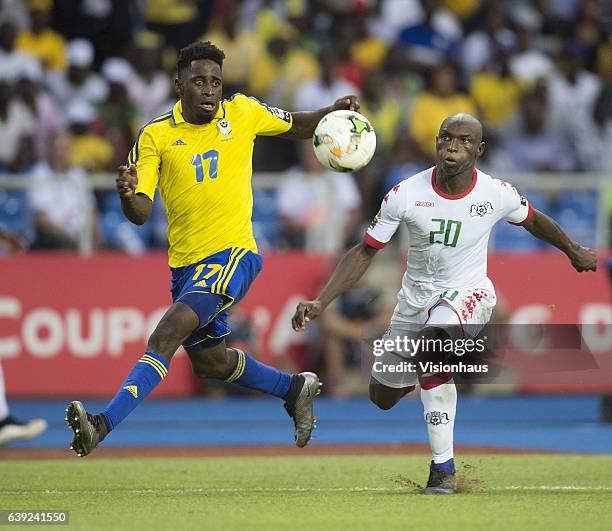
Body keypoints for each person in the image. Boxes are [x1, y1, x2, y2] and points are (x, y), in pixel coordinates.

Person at [66, 41, 359, 457]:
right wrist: (128, 195)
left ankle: (101, 424)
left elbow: (296, 123)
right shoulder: (156, 136)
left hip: (233, 254)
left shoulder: (242, 112)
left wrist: (332, 112)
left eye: (215, 82)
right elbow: (139, 211)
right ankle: (294, 389)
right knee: (212, 364)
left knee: (164, 336)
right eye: (199, 81)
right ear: (179, 84)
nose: (209, 90)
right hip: (186, 266)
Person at [292, 113, 597, 494]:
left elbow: (534, 221)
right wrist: (322, 301)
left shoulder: (496, 192)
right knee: (382, 396)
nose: (453, 145)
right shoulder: (404, 193)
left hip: (468, 294)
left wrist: (572, 250)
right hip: (413, 300)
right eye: (445, 138)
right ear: (436, 142)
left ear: (479, 149)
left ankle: (443, 471)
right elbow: (366, 251)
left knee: (433, 347)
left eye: (464, 140)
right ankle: (428, 374)